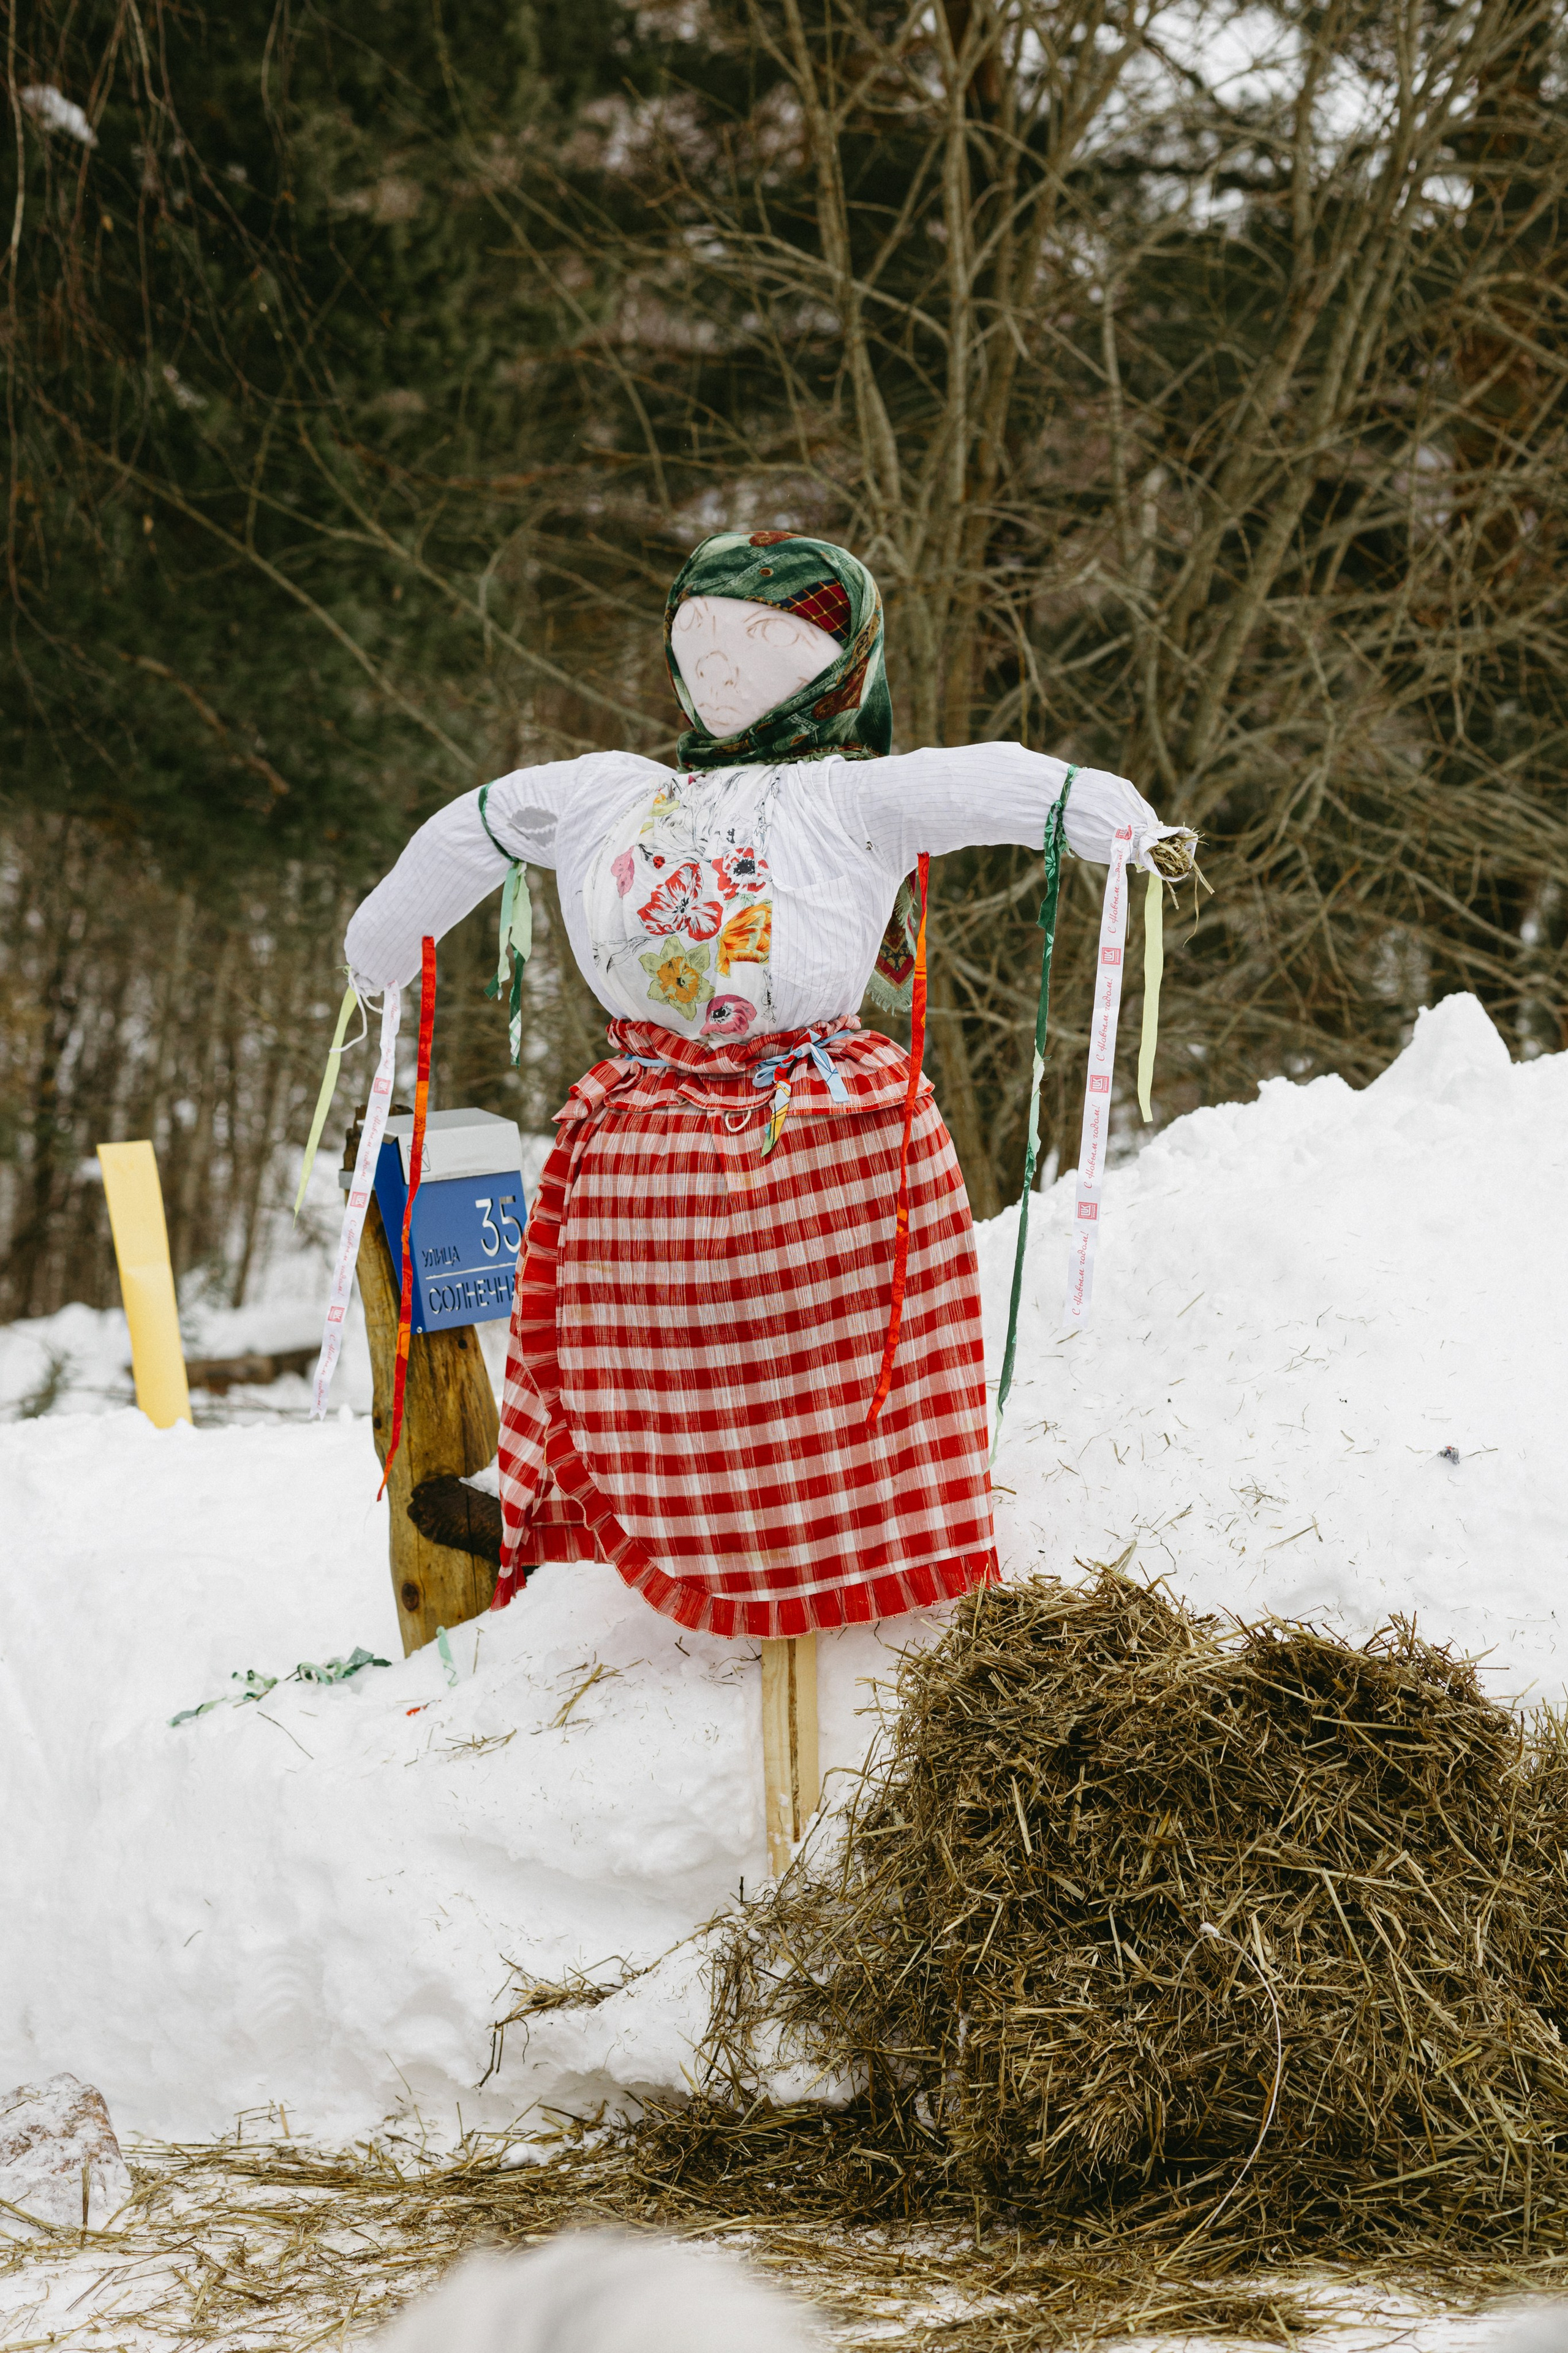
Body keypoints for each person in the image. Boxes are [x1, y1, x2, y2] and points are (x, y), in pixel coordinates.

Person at [345, 529, 1186, 1640]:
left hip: (760, 1122)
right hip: (717, 1120)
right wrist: (381, 947)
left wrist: (1117, 822)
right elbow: (484, 822)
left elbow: (985, 783)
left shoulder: (787, 798)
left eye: (763, 643)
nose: (725, 668)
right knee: (639, 1335)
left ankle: (829, 1542)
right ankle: (601, 1509)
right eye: (704, 642)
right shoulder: (644, 793)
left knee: (754, 1341)